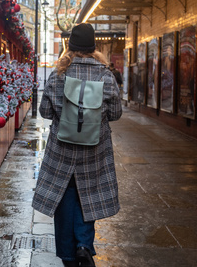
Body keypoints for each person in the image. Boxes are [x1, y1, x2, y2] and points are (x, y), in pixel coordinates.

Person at [32, 23, 122, 267]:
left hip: (62, 150)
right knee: (87, 196)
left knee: (65, 197)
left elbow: (45, 111)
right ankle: (83, 243)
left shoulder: (59, 74)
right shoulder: (106, 75)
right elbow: (115, 113)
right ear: (94, 47)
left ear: (70, 47)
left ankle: (68, 256)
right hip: (94, 150)